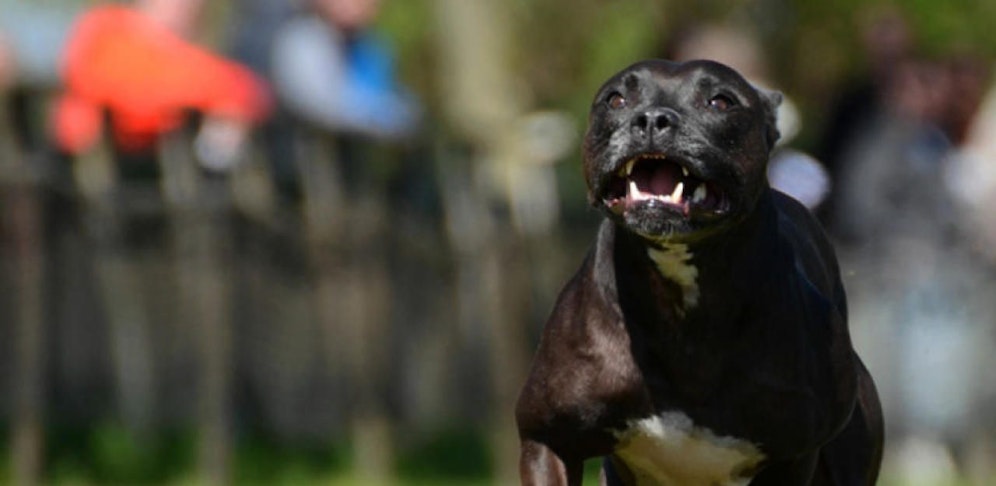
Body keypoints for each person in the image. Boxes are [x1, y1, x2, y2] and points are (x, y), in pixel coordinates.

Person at [52, 0, 272, 172]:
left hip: (159, 174)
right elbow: (132, 93)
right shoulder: (106, 29)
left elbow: (249, 90)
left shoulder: (186, 58)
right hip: (92, 173)